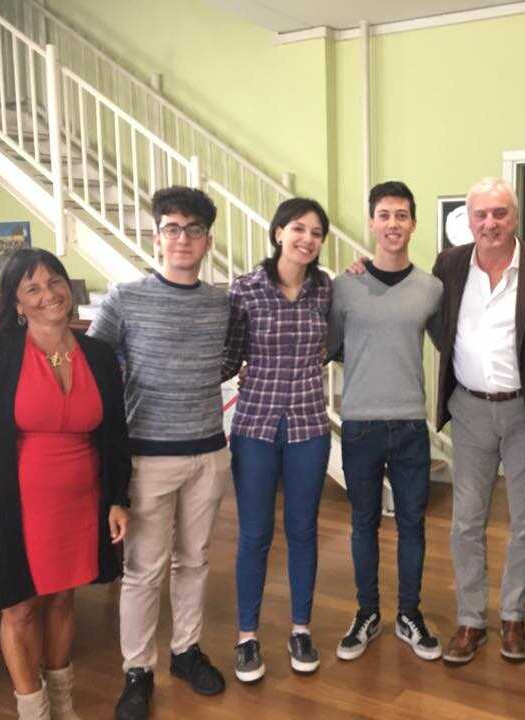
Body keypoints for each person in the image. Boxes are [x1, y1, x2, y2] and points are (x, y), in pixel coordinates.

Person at [0, 249, 130, 720]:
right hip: (14, 505)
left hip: (80, 502)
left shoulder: (97, 355)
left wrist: (117, 498)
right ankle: (33, 708)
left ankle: (62, 702)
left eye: (55, 282)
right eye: (32, 288)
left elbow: (114, 434)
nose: (48, 294)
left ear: (69, 288)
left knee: (64, 598)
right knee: (20, 608)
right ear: (16, 303)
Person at [88, 186, 231, 720]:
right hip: (147, 457)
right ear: (156, 237)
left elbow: (230, 358)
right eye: (172, 228)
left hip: (209, 452)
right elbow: (96, 364)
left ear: (207, 241)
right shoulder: (124, 298)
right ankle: (137, 670)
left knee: (194, 560)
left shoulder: (222, 303)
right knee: (144, 570)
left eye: (193, 230)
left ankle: (186, 651)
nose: (182, 239)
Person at [430, 176, 525, 665]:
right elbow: (436, 322)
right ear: (470, 219)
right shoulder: (449, 264)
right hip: (470, 409)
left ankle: (514, 616)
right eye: (481, 214)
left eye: (499, 213)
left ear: (515, 217)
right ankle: (471, 619)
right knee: (466, 520)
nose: (490, 223)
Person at [328, 181, 444, 662]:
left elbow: (455, 344)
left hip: (410, 424)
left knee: (413, 524)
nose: (393, 223)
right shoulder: (344, 286)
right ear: (372, 222)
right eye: (384, 215)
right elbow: (328, 346)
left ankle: (409, 613)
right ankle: (367, 612)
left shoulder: (431, 289)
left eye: (401, 215)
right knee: (363, 523)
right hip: (360, 423)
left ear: (413, 224)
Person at [222, 197, 333, 681]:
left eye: (316, 232)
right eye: (298, 228)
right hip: (255, 426)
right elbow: (228, 357)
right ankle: (247, 636)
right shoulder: (245, 289)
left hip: (309, 425)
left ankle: (300, 629)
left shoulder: (326, 290)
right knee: (255, 533)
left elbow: (334, 344)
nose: (307, 239)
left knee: (304, 529)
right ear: (278, 233)